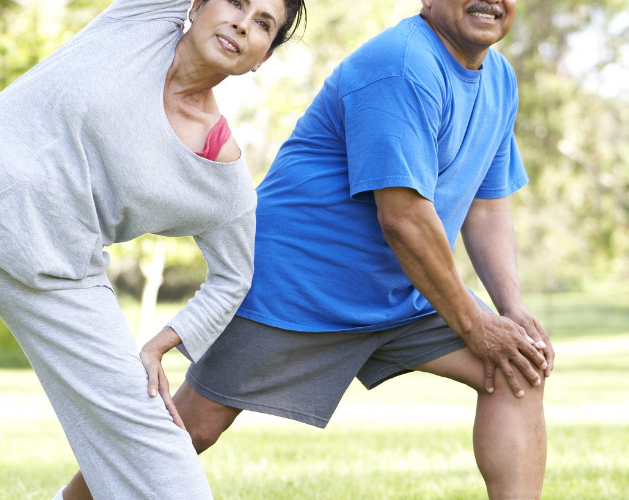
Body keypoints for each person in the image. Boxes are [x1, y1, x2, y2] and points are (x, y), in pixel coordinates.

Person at [0, 0, 306, 498]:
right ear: (196, 4)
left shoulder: (221, 172)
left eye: (263, 23)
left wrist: (162, 342)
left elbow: (233, 276)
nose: (241, 22)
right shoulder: (143, 18)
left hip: (59, 272)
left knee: (142, 424)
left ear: (261, 57)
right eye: (235, 1)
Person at [63, 0, 551, 498]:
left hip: (402, 290)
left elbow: (486, 205)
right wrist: (476, 323)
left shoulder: (499, 80)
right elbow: (403, 219)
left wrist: (511, 312)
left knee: (517, 368)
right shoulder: (403, 64)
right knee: (194, 429)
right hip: (295, 284)